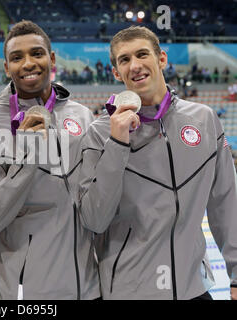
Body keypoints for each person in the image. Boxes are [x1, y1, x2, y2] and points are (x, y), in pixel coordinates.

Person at [78, 26, 237, 300]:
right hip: (131, 291)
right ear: (116, 73)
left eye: (142, 54)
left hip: (193, 288)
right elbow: (94, 219)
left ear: (161, 59)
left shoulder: (204, 119)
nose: (135, 65)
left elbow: (225, 202)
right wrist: (117, 144)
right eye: (124, 60)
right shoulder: (99, 132)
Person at [0, 20, 99, 300]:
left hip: (88, 285)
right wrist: (29, 154)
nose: (28, 63)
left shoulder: (82, 115)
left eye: (37, 54)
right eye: (17, 57)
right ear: (6, 67)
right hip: (28, 292)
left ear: (51, 59)